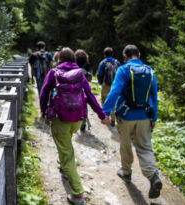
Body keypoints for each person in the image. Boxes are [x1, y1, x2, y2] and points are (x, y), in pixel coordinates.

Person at [40, 47, 110, 205]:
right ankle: (65, 166)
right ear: (73, 59)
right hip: (77, 119)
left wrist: (45, 113)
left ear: (59, 59)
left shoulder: (53, 73)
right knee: (66, 145)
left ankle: (77, 194)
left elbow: (44, 93)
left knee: (67, 153)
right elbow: (90, 96)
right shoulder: (80, 73)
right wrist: (101, 115)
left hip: (60, 119)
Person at [102, 44, 162, 199]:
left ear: (125, 56)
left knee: (125, 144)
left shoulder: (123, 70)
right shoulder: (149, 70)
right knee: (144, 147)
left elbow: (114, 91)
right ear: (139, 54)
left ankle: (126, 172)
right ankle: (153, 176)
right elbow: (154, 96)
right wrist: (153, 118)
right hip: (144, 116)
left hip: (126, 115)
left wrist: (105, 112)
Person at [97, 47, 121, 126]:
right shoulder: (117, 62)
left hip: (105, 84)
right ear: (112, 54)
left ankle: (105, 117)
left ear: (104, 54)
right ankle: (113, 119)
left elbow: (99, 74)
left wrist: (101, 82)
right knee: (114, 100)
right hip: (115, 85)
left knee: (104, 99)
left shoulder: (103, 62)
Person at [74, 49, 92, 132]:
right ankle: (84, 121)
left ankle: (75, 119)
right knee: (84, 105)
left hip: (74, 89)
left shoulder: (73, 66)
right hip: (84, 88)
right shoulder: (87, 65)